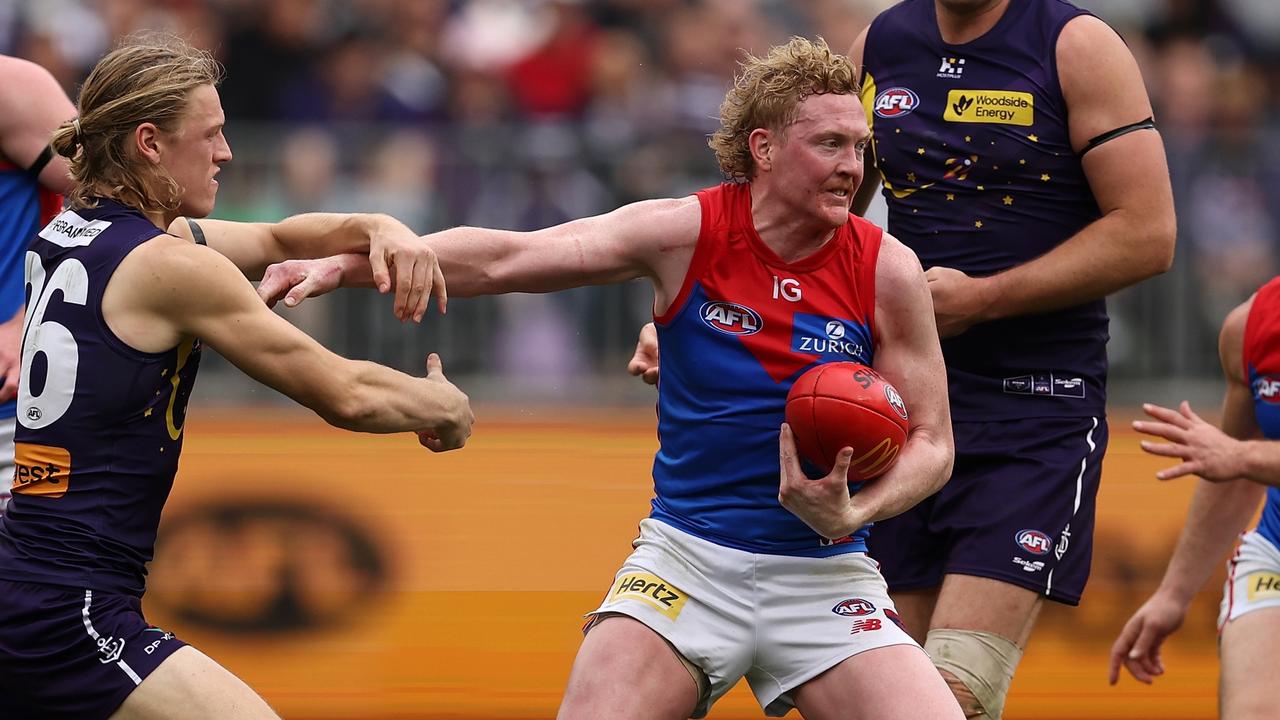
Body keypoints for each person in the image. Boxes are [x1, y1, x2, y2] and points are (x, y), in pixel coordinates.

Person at [258, 36, 963, 720]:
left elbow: (932, 442)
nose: (853, 166)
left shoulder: (887, 267)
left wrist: (857, 513)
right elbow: (510, 257)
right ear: (765, 148)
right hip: (687, 560)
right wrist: (345, 268)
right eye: (830, 144)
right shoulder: (686, 232)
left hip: (826, 572)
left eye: (860, 145)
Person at [626, 2, 1178, 717]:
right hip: (893, 410)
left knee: (955, 692)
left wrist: (983, 298)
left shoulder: (1077, 46)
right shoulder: (884, 41)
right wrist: (698, 318)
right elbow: (802, 207)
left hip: (1034, 412)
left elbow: (1149, 233)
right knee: (878, 695)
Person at [0, 35, 474, 720]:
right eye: (211, 135)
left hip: (30, 574)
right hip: (69, 608)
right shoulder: (172, 269)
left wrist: (376, 224)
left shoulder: (76, 231)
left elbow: (279, 239)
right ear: (150, 144)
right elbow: (345, 393)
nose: (226, 153)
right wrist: (441, 405)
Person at [1109, 278, 1280, 718]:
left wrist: (1240, 454)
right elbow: (1238, 471)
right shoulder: (1251, 326)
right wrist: (1173, 594)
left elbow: (1239, 456)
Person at [0, 54, 76, 514]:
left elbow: (119, 200)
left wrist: (27, 316)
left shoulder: (12, 87)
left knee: (26, 581)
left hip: (13, 415)